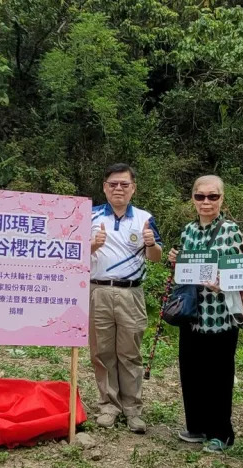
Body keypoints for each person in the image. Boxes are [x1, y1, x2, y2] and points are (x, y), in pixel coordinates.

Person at [167, 175, 243, 452]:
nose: (206, 202)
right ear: (193, 199)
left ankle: (221, 432)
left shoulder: (231, 231)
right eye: (200, 196)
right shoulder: (188, 230)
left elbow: (241, 273)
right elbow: (184, 272)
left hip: (220, 315)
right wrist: (175, 260)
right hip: (192, 314)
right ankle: (197, 426)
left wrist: (222, 280)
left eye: (213, 196)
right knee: (192, 371)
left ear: (222, 199)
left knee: (218, 375)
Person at [88, 163, 163, 433]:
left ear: (133, 188)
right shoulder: (90, 214)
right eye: (113, 184)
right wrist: (91, 246)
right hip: (97, 290)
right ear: (104, 187)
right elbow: (71, 253)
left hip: (131, 292)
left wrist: (151, 244)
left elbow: (156, 258)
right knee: (101, 352)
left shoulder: (145, 217)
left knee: (130, 353)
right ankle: (108, 406)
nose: (118, 188)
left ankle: (133, 409)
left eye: (124, 184)